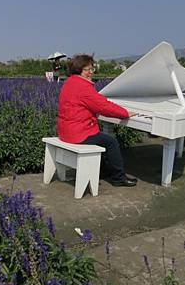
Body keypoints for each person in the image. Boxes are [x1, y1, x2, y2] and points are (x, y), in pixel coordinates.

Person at [57, 54, 137, 187]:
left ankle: (103, 171)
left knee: (102, 140)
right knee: (111, 142)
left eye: (91, 69)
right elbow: (104, 106)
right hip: (77, 133)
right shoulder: (83, 87)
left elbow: (91, 105)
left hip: (65, 130)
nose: (90, 73)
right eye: (87, 70)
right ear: (79, 71)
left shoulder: (69, 82)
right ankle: (118, 178)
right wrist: (125, 113)